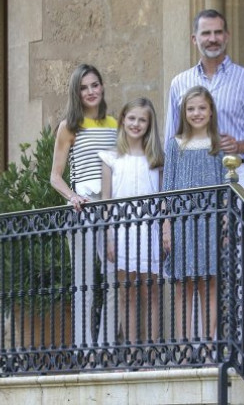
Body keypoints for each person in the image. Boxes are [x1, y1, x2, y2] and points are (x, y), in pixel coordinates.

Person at [164, 9, 244, 358]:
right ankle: (196, 350)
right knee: (192, 265)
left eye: (218, 32)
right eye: (205, 33)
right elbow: (171, 136)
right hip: (189, 181)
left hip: (234, 174)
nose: (212, 38)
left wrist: (238, 145)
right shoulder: (179, 83)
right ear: (194, 39)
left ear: (226, 36)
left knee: (238, 262)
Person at [50, 63, 118, 347]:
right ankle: (84, 349)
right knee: (85, 284)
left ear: (102, 87)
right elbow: (55, 176)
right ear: (76, 93)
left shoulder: (114, 124)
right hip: (82, 211)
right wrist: (72, 197)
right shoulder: (69, 126)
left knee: (115, 282)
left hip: (112, 211)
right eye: (84, 87)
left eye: (94, 85)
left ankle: (107, 346)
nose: (90, 92)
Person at [99, 97, 164, 344]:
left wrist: (163, 232)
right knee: (127, 292)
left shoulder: (156, 160)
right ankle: (132, 348)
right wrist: (108, 237)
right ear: (123, 120)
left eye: (142, 120)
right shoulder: (111, 158)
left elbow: (162, 199)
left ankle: (152, 349)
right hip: (121, 231)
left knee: (151, 290)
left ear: (149, 125)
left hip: (149, 230)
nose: (136, 124)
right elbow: (106, 200)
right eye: (132, 118)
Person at [162, 86, 226, 341]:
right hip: (182, 224)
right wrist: (166, 226)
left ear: (210, 112)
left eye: (201, 108)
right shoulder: (175, 145)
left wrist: (224, 224)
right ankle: (185, 346)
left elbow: (225, 188)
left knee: (209, 282)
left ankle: (209, 343)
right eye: (191, 108)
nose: (196, 113)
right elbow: (167, 190)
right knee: (183, 285)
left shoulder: (218, 145)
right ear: (183, 112)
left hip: (210, 223)